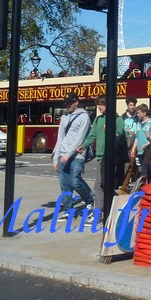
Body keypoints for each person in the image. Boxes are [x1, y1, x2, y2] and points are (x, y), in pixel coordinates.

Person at [78, 95, 124, 219]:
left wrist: (110, 131)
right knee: (104, 185)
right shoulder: (98, 120)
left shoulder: (117, 119)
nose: (99, 107)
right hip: (100, 156)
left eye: (102, 104)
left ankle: (98, 213)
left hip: (110, 156)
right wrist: (84, 146)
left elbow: (120, 136)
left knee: (99, 186)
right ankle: (116, 205)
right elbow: (92, 135)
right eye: (98, 104)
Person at [52, 92, 94, 220]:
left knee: (75, 181)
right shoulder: (64, 117)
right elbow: (60, 138)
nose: (68, 105)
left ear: (76, 102)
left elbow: (80, 138)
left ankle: (90, 200)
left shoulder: (84, 117)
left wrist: (68, 154)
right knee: (65, 184)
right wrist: (56, 158)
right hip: (62, 154)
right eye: (66, 103)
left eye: (70, 103)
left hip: (77, 154)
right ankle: (68, 210)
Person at [132, 104, 151, 182]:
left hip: (148, 150)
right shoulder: (138, 123)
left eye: (139, 113)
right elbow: (137, 136)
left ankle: (148, 184)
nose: (137, 114)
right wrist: (134, 148)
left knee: (147, 171)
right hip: (140, 150)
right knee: (142, 170)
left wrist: (147, 144)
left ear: (144, 113)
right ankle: (144, 185)